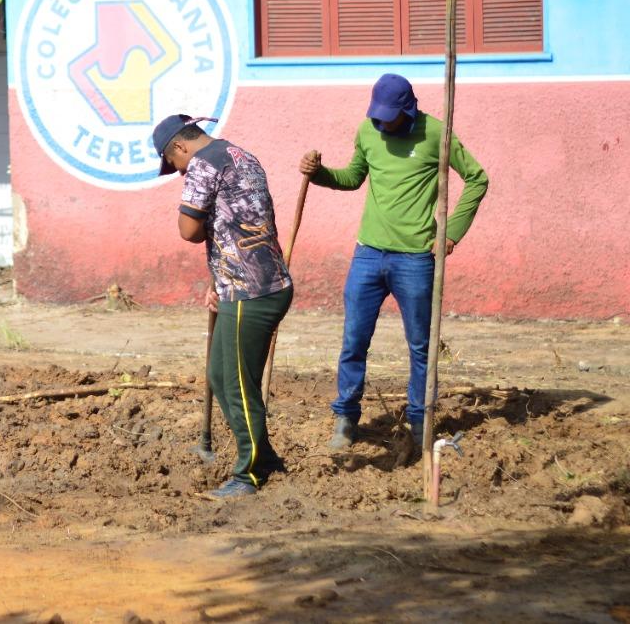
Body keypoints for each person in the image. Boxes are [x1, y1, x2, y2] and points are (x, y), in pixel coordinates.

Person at [299, 73, 488, 452]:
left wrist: (451, 232)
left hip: (416, 259)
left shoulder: (436, 133)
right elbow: (353, 178)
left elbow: (477, 178)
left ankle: (420, 422)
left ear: (408, 108)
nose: (381, 124)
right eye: (377, 116)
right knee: (354, 340)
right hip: (367, 254)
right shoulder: (368, 132)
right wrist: (318, 174)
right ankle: (346, 418)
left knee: (421, 345)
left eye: (389, 117)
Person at [153, 113, 294, 499]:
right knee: (220, 374)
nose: (179, 173)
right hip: (258, 285)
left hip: (250, 291)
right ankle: (264, 456)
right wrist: (219, 278)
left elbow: (188, 231)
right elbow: (237, 222)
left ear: (179, 147)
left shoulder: (202, 164)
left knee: (235, 385)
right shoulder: (241, 155)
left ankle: (249, 473)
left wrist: (224, 271)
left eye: (174, 164)